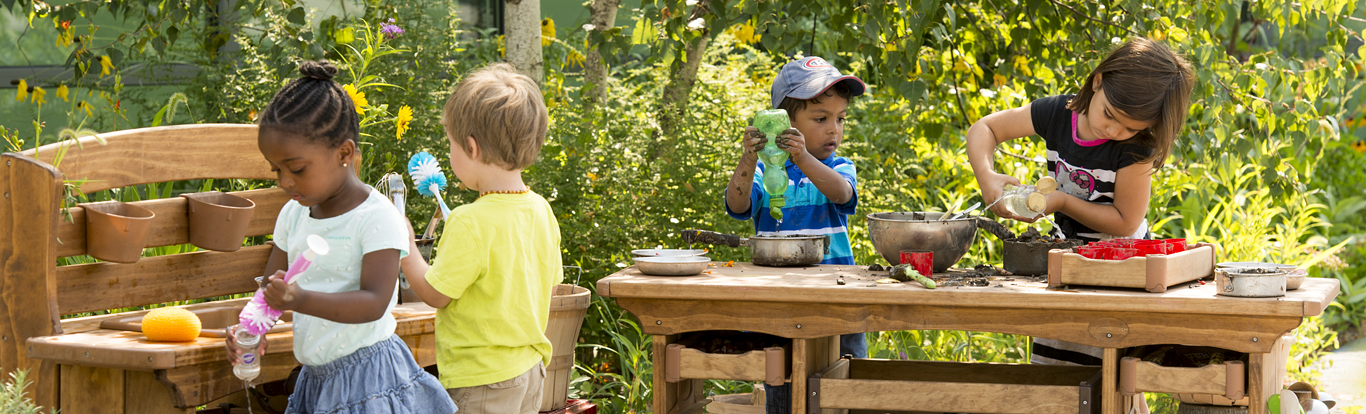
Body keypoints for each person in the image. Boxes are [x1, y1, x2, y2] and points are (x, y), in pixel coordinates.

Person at [965, 38, 1193, 413]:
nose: (1115, 131)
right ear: (1097, 82)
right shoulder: (1058, 113)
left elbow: (1125, 221)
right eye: (1110, 116)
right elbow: (984, 130)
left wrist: (1063, 201)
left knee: (1108, 371)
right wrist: (988, 177)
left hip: (1119, 270)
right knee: (1054, 366)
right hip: (1067, 261)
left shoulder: (1136, 150)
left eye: (1130, 128)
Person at [226, 60, 455, 414]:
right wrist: (250, 330)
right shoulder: (293, 213)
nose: (284, 181)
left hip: (370, 380)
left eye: (297, 169)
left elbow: (375, 302)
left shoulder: (377, 217)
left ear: (344, 153)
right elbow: (272, 290)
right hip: (316, 381)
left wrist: (298, 299)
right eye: (276, 170)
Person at [397, 63, 563, 414]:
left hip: (483, 380)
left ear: (470, 147)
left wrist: (407, 248)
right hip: (531, 370)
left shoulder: (469, 220)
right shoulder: (541, 209)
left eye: (452, 145)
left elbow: (436, 294)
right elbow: (547, 286)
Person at [723, 56, 865, 414]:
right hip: (780, 301)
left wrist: (802, 158)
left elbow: (841, 194)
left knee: (846, 388)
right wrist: (748, 158)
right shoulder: (767, 173)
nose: (834, 129)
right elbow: (738, 205)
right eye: (821, 119)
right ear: (784, 123)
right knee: (782, 387)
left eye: (841, 119)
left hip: (837, 301)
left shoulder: (838, 167)